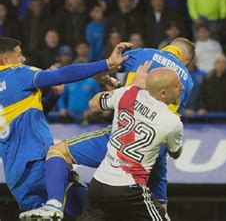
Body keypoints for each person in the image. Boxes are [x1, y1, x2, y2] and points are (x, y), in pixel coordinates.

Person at [23, 38, 195, 219]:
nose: (180, 86)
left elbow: (102, 88)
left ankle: (54, 204)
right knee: (160, 208)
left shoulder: (142, 55)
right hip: (151, 155)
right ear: (187, 62)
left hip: (116, 141)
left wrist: (121, 85)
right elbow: (165, 121)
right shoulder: (186, 83)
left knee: (58, 152)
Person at [0, 37, 131, 219]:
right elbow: (63, 74)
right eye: (19, 55)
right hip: (39, 162)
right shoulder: (18, 73)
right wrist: (107, 63)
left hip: (16, 177)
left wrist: (53, 98)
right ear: (6, 60)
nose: (23, 60)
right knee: (93, 213)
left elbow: (25, 116)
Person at [80, 63, 183, 220]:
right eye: (177, 85)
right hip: (129, 189)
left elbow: (93, 104)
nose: (181, 87)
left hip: (99, 184)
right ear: (163, 93)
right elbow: (175, 153)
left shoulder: (127, 93)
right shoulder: (172, 122)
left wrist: (133, 86)